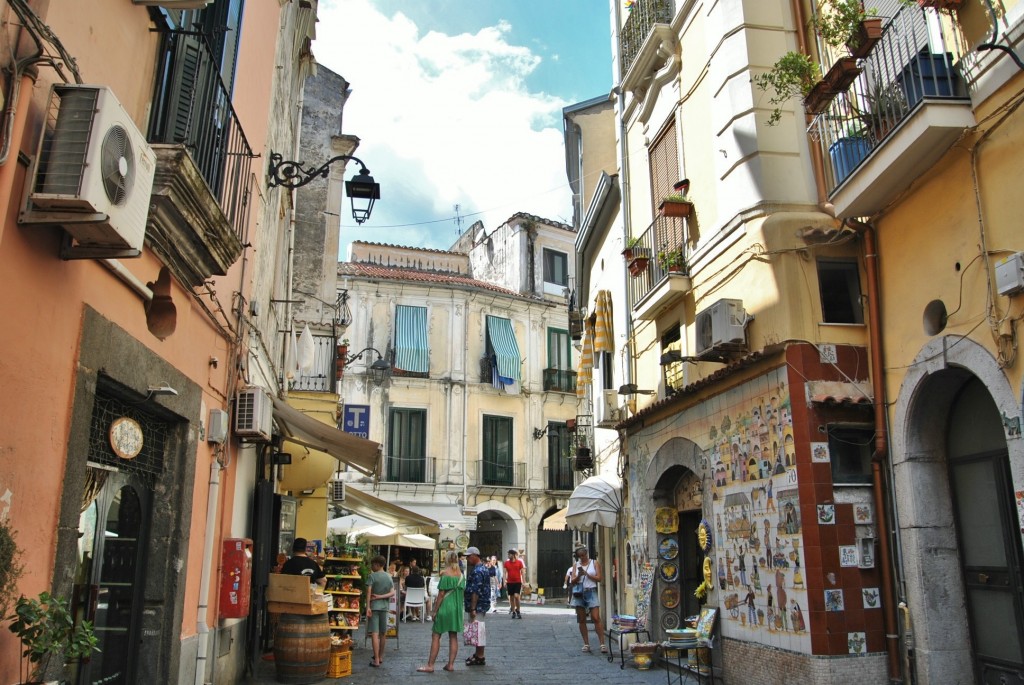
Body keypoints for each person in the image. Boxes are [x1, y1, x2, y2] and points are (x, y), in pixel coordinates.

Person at [416, 551, 465, 673]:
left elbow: (441, 594)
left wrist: (434, 611)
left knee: (436, 635)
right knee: (453, 636)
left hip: (445, 607)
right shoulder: (461, 575)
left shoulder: (446, 574)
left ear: (447, 560)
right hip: (457, 609)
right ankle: (451, 664)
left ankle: (430, 665)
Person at [569, 544, 605, 654]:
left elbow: (599, 578)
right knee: (582, 619)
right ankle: (586, 643)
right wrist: (579, 576)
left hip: (591, 591)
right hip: (579, 593)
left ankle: (602, 644)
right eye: (580, 556)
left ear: (587, 554)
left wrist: (588, 575)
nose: (582, 558)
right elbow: (572, 581)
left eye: (584, 555)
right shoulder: (576, 565)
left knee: (595, 617)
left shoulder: (594, 563)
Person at [365, 555, 395, 668]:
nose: (372, 567)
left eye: (373, 565)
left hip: (374, 607)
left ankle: (376, 659)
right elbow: (392, 593)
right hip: (384, 607)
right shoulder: (388, 576)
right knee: (383, 633)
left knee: (374, 633)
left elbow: (368, 592)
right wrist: (381, 596)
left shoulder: (372, 576)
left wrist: (368, 606)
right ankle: (381, 656)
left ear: (377, 564)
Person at [463, 547, 490, 666]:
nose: (468, 559)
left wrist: (473, 608)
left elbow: (476, 591)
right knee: (479, 629)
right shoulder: (482, 568)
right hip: (481, 605)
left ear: (475, 555)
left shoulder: (478, 571)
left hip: (478, 606)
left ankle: (480, 656)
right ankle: (478, 654)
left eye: (469, 556)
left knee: (478, 630)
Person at [503, 548, 525, 619]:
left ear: (513, 555)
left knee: (516, 596)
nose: (508, 556)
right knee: (511, 597)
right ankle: (513, 611)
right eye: (508, 554)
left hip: (518, 582)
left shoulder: (519, 562)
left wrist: (524, 581)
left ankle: (518, 610)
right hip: (510, 582)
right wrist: (504, 581)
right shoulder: (506, 563)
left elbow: (522, 572)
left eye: (509, 554)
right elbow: (505, 572)